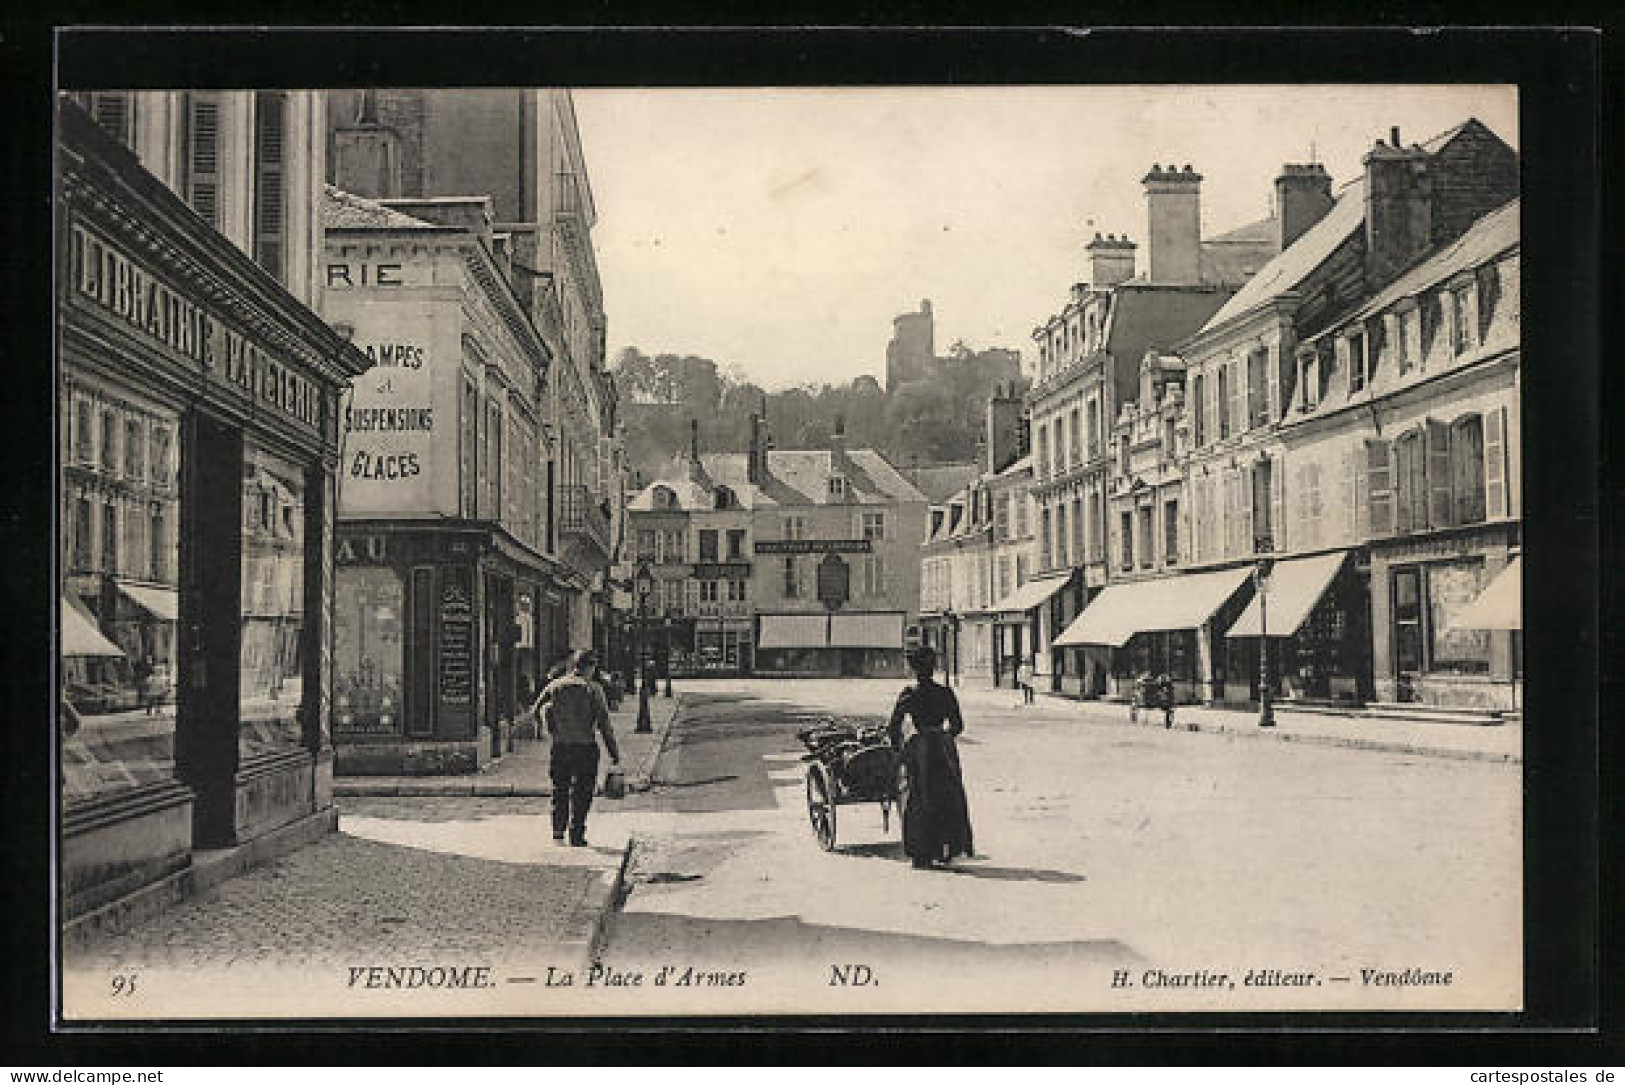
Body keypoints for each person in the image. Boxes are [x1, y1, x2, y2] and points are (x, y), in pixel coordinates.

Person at [888, 645, 974, 870]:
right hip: (944, 751)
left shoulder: (909, 694)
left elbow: (893, 726)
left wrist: (901, 748)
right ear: (933, 667)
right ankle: (947, 846)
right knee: (948, 796)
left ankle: (922, 852)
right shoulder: (945, 693)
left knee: (919, 797)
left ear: (913, 669)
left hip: (921, 751)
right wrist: (944, 738)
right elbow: (958, 725)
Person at [533, 649, 621, 846]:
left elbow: (535, 710)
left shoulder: (554, 686)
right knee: (583, 792)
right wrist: (614, 753)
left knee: (559, 789)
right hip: (585, 747)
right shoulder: (593, 689)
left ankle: (557, 831)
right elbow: (604, 724)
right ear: (590, 667)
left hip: (560, 746)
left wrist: (549, 730)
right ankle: (576, 834)